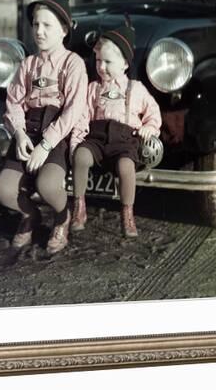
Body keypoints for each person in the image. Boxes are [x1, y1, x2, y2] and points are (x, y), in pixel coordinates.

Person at [0, 0, 88, 254]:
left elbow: (73, 109)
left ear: (64, 30)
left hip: (57, 130)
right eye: (36, 25)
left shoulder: (73, 64)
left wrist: (45, 146)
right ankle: (30, 216)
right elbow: (13, 102)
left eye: (47, 25)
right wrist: (20, 134)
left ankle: (62, 217)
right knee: (3, 190)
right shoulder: (27, 64)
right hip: (29, 127)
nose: (39, 31)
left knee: (47, 186)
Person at [69, 19, 161, 238]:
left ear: (125, 64)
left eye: (108, 62)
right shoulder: (93, 88)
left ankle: (127, 213)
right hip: (97, 137)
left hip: (124, 140)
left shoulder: (135, 88)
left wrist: (150, 127)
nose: (101, 67)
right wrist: (76, 142)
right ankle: (79, 207)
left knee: (126, 166)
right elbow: (83, 117)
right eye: (98, 61)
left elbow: (153, 112)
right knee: (81, 156)